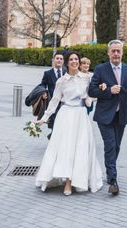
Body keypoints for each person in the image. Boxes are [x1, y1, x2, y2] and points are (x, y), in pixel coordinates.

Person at [88, 40, 127, 196]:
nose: (116, 54)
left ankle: (111, 171)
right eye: (113, 51)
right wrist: (109, 90)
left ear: (122, 53)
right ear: (108, 53)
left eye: (118, 51)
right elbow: (91, 91)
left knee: (116, 146)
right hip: (105, 115)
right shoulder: (100, 69)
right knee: (110, 145)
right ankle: (113, 180)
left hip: (122, 115)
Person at [35, 51, 103, 196]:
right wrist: (44, 118)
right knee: (65, 148)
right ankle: (67, 181)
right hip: (65, 115)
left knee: (80, 148)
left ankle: (76, 179)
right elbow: (54, 101)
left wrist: (101, 91)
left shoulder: (87, 78)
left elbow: (90, 97)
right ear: (67, 63)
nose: (74, 61)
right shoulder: (61, 81)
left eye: (76, 59)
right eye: (71, 59)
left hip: (80, 116)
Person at [40, 52, 65, 139]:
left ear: (63, 61)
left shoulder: (67, 72)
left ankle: (53, 136)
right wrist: (43, 92)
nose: (59, 60)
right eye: (57, 58)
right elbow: (43, 84)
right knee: (55, 120)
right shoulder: (47, 73)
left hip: (64, 102)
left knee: (63, 121)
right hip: (53, 101)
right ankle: (54, 137)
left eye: (61, 59)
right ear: (53, 60)